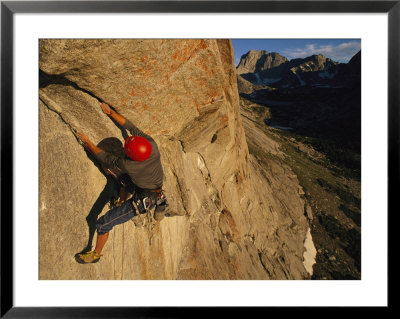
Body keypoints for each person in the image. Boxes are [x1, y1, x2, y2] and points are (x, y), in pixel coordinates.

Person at [75, 102, 167, 264]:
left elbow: (104, 158)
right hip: (152, 187)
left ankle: (95, 254)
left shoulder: (129, 165)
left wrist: (87, 141)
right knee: (124, 181)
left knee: (103, 223)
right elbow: (130, 126)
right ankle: (144, 204)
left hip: (143, 200)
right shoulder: (152, 145)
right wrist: (110, 112)